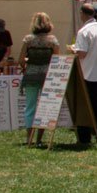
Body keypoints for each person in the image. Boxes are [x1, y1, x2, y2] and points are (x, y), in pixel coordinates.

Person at [71, 4, 97, 143]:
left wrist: (73, 50)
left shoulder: (84, 31)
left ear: (83, 14)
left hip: (85, 73)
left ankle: (84, 137)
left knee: (83, 107)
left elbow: (82, 53)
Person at [18, 12, 59, 146]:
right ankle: (39, 139)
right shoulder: (52, 40)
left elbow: (21, 60)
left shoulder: (28, 39)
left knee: (30, 107)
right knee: (45, 107)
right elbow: (56, 59)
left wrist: (27, 64)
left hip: (31, 75)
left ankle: (29, 138)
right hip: (48, 76)